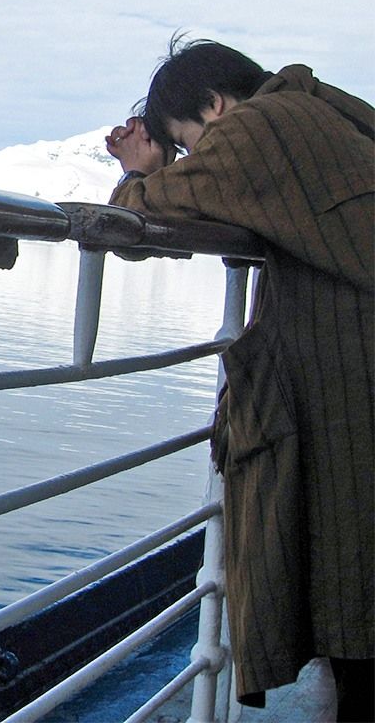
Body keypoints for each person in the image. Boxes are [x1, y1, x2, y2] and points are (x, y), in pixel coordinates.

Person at [105, 37, 373, 721]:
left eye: (190, 142)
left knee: (357, 594)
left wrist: (142, 167)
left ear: (216, 106)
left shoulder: (262, 126)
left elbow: (149, 209)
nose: (197, 158)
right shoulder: (332, 113)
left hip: (359, 396)